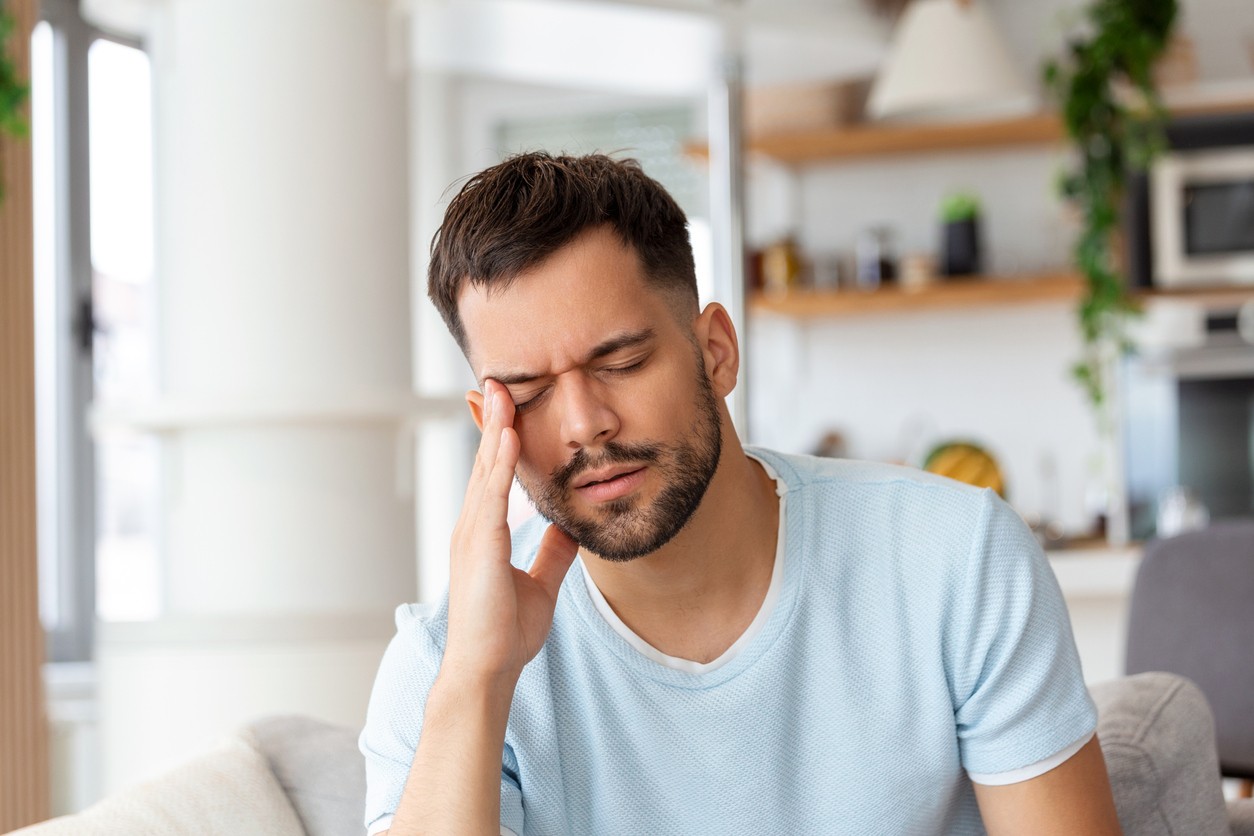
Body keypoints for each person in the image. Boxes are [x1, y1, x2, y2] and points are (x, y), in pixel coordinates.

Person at [359, 152, 1122, 835]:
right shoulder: (443, 665)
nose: (584, 426)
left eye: (621, 362)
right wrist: (477, 683)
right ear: (489, 424)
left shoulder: (955, 560)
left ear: (716, 351)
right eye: (526, 395)